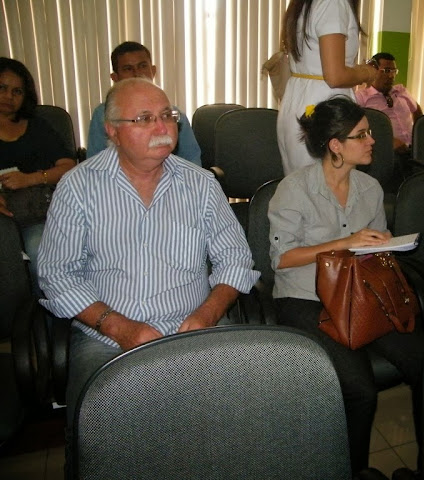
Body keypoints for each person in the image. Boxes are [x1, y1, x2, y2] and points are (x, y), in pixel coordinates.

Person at [38, 77, 259, 478]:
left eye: (167, 116)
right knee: (97, 436)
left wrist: (208, 314)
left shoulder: (200, 184)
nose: (162, 128)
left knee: (240, 420)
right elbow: (57, 275)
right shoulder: (78, 187)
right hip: (106, 337)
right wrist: (121, 328)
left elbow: (235, 259)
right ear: (112, 130)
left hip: (196, 328)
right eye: (144, 118)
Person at [269, 96, 424, 474]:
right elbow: (282, 259)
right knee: (360, 390)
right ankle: (354, 472)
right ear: (336, 145)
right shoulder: (294, 189)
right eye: (362, 135)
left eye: (369, 132)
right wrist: (345, 242)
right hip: (306, 297)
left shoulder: (369, 188)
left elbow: (371, 248)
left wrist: (384, 245)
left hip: (360, 292)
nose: (372, 140)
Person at [277, 0, 378, 175]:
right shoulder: (333, 3)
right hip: (325, 105)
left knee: (303, 182)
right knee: (327, 184)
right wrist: (367, 73)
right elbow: (335, 76)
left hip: (298, 100)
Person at [0, 57, 75, 291]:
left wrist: (29, 179)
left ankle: (45, 310)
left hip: (35, 214)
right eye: (2, 88)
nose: (8, 96)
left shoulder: (38, 127)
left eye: (17, 91)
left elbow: (69, 167)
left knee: (39, 254)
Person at [86, 41, 202, 166]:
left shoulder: (173, 116)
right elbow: (94, 163)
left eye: (142, 66)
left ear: (153, 71)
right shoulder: (102, 115)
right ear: (115, 77)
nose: (137, 74)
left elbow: (192, 160)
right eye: (128, 69)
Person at [355, 52, 423, 155]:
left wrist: (419, 135)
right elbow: (357, 128)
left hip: (413, 150)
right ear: (374, 71)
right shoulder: (362, 97)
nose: (391, 76)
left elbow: (416, 110)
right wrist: (388, 141)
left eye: (394, 71)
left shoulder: (401, 91)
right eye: (386, 71)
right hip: (385, 152)